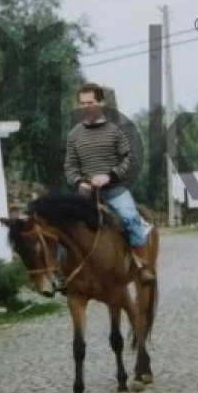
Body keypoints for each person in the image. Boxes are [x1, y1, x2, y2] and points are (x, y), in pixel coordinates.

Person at [63, 82, 155, 282]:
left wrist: (108, 176)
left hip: (114, 190)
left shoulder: (115, 130)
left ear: (101, 103)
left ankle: (142, 264)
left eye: (90, 102)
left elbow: (128, 160)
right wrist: (79, 182)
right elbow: (70, 166)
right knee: (61, 225)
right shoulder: (74, 135)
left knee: (130, 219)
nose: (86, 106)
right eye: (82, 103)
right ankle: (63, 274)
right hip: (86, 193)